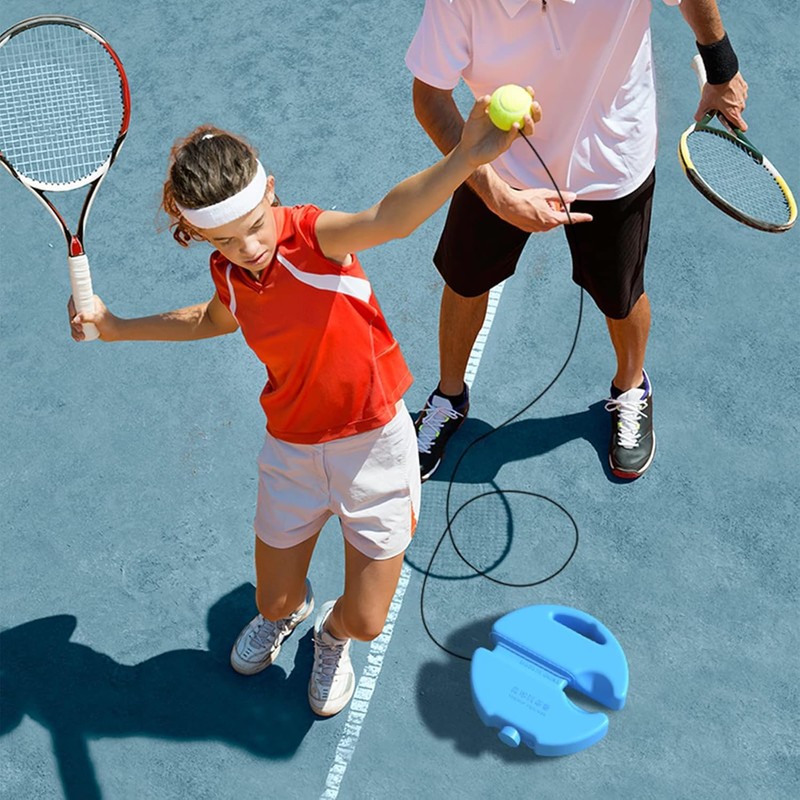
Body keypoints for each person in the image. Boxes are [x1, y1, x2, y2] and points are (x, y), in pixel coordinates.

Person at [68, 96, 540, 716]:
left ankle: (332, 636)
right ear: (199, 236)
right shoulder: (229, 271)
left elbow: (390, 217)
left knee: (368, 621)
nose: (249, 248)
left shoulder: (316, 236)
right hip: (291, 451)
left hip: (375, 447)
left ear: (272, 194)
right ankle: (289, 613)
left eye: (255, 227)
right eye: (225, 241)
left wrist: (466, 157)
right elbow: (213, 318)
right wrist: (115, 325)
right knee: (271, 602)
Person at [405, 0, 748, 481]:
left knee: (620, 296)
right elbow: (431, 96)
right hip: (498, 158)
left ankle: (631, 389)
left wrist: (722, 66)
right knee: (464, 280)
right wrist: (495, 193)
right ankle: (448, 397)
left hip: (611, 158)